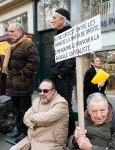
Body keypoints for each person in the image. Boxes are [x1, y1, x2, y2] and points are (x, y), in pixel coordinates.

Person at [2, 22, 40, 142]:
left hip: (23, 85)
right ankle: (19, 131)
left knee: (25, 111)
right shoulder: (12, 46)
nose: (10, 34)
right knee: (16, 110)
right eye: (9, 31)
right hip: (12, 86)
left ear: (20, 32)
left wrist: (22, 75)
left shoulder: (28, 44)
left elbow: (34, 63)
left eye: (12, 31)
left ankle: (26, 133)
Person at [49, 8, 76, 137]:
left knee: (65, 106)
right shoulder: (58, 34)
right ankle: (61, 132)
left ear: (62, 20)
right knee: (56, 106)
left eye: (54, 18)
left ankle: (70, 135)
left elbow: (72, 58)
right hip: (56, 77)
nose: (52, 20)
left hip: (64, 78)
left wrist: (61, 73)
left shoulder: (70, 33)